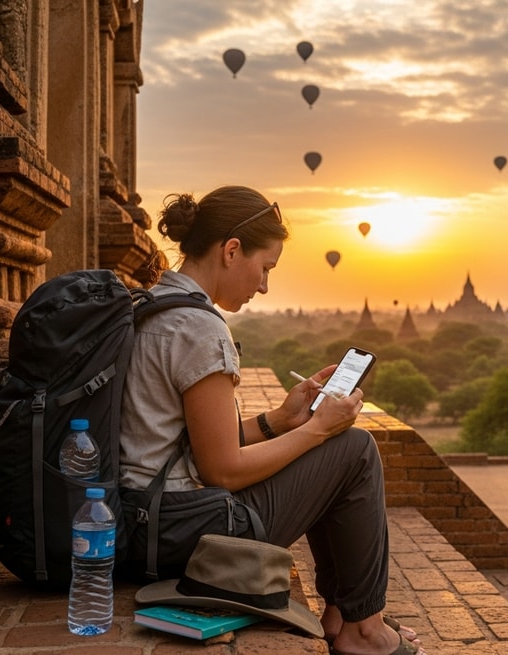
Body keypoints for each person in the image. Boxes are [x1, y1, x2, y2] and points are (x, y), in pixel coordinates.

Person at [118, 185, 425, 655]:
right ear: (232, 250)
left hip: (146, 519)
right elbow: (221, 470)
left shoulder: (153, 305)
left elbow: (188, 443)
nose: (263, 286)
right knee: (354, 450)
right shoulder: (199, 329)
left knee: (330, 451)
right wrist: (317, 428)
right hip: (180, 533)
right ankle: (364, 631)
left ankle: (344, 613)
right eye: (265, 269)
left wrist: (282, 420)